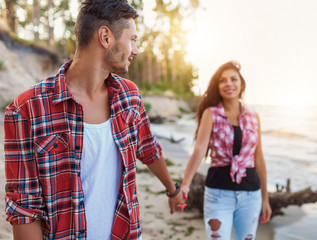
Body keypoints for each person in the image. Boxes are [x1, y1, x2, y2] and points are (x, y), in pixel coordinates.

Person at [3, 1, 185, 239]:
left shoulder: (129, 96)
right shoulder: (26, 110)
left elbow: (148, 147)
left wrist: (173, 190)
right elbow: (25, 210)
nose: (136, 50)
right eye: (132, 39)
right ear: (105, 37)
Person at [180, 60, 272, 239]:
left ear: (241, 84)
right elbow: (199, 149)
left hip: (250, 195)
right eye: (223, 80)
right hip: (218, 195)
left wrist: (265, 199)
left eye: (233, 79)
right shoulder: (211, 114)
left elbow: (258, 159)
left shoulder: (254, 117)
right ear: (218, 86)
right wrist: (185, 184)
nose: (228, 83)